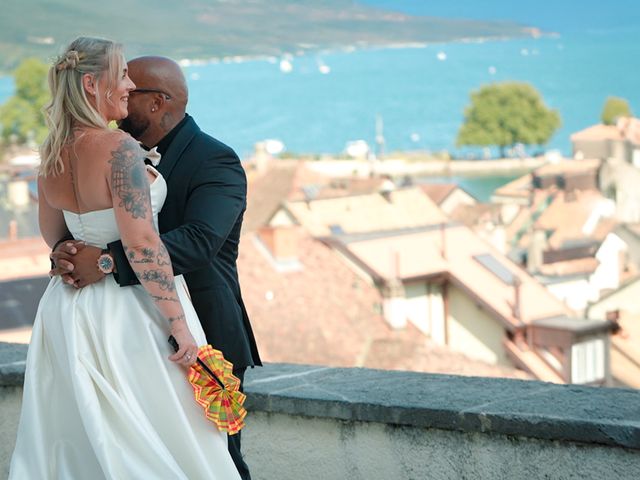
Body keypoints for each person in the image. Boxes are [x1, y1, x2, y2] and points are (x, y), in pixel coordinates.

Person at [10, 37, 242, 479]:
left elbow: (53, 235)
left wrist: (66, 255)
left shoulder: (51, 150)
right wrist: (177, 324)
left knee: (84, 436)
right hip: (131, 315)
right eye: (121, 75)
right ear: (94, 85)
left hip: (68, 312)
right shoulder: (119, 149)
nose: (128, 84)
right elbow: (142, 244)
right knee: (170, 434)